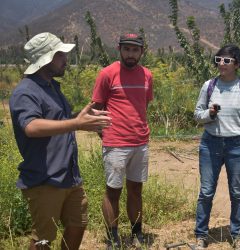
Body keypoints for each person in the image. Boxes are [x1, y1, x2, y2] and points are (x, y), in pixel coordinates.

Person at [9, 32, 111, 250]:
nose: (66, 59)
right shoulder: (25, 92)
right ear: (45, 59)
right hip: (45, 179)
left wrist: (84, 119)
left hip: (69, 175)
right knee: (44, 238)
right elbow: (32, 127)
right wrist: (76, 124)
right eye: (60, 55)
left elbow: (60, 120)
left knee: (79, 223)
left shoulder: (53, 87)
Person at [193, 44, 240, 250]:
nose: (221, 63)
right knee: (206, 191)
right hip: (210, 143)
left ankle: (236, 235)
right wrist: (210, 114)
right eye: (218, 59)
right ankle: (201, 235)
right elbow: (197, 115)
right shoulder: (209, 86)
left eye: (227, 60)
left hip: (237, 145)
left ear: (237, 64)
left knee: (237, 193)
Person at [91, 33, 153, 249]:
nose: (130, 54)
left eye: (135, 50)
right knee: (113, 191)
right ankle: (112, 236)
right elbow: (96, 108)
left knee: (136, 189)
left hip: (140, 142)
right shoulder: (107, 73)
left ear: (141, 52)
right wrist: (104, 133)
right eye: (126, 49)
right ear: (119, 49)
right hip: (116, 142)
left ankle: (137, 233)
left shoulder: (147, 75)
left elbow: (143, 104)